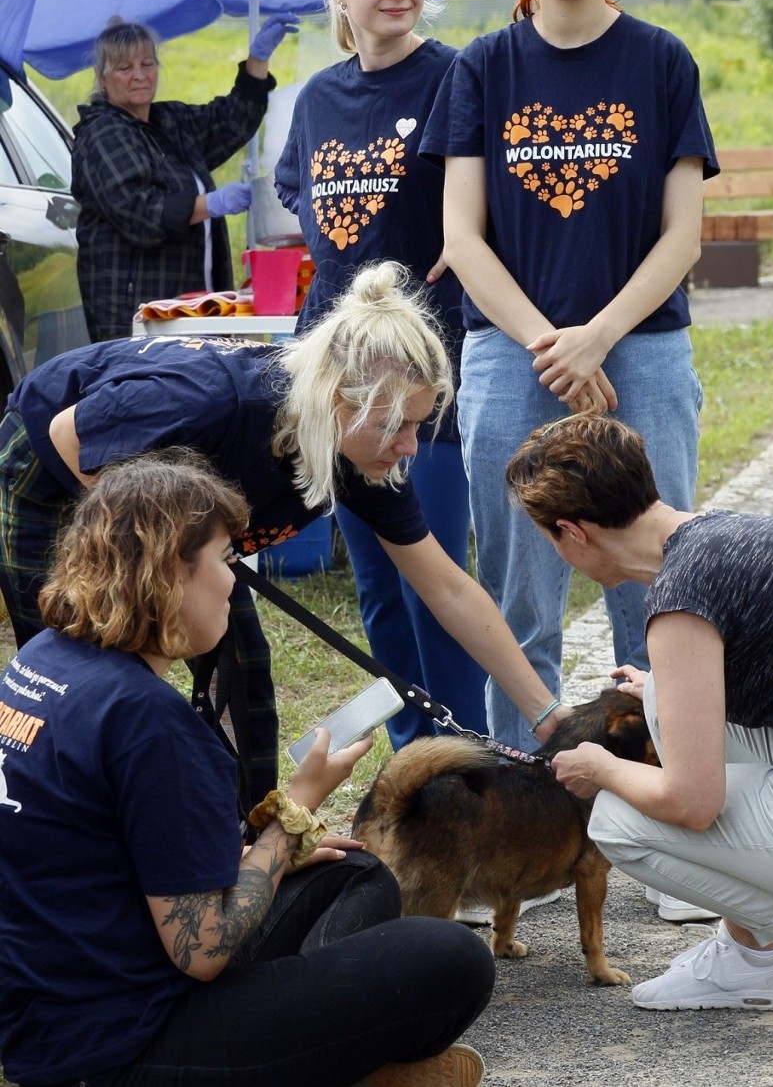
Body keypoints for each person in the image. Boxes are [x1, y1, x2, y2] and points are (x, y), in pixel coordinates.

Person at [0, 451, 494, 1087]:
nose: (234, 583)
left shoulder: (46, 657)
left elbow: (101, 844)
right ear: (170, 570)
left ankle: (310, 1050)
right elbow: (200, 950)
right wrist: (292, 814)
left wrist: (266, 854)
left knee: (358, 873)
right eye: (225, 559)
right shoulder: (150, 722)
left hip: (48, 1010)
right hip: (120, 1047)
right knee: (450, 959)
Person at [0, 261, 569, 812]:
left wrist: (547, 716)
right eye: (398, 426)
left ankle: (252, 838)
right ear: (339, 402)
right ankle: (75, 824)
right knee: (87, 670)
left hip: (176, 518)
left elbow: (446, 587)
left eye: (419, 425)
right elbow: (67, 439)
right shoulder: (217, 401)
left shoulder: (355, 451)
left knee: (242, 668)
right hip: (50, 475)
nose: (411, 448)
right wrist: (156, 585)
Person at [420, 0, 718, 753]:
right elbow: (462, 239)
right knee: (520, 593)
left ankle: (671, 805)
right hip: (515, 353)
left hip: (642, 349)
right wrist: (554, 342)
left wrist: (600, 336)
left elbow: (684, 236)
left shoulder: (663, 62)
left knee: (658, 580)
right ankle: (528, 802)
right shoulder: (482, 69)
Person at [505, 412, 773, 1054]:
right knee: (669, 705)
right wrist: (665, 689)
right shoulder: (722, 534)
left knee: (616, 819)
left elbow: (693, 804)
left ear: (574, 534)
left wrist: (600, 768)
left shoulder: (681, 596)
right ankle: (752, 961)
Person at [274, 0, 486, 748]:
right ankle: (412, 763)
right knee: (376, 589)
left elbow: (483, 207)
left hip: (427, 368)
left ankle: (470, 762)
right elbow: (306, 202)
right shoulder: (319, 98)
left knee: (435, 579)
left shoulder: (454, 78)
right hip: (339, 373)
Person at [71, 12, 296, 341]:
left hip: (189, 304)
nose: (139, 76)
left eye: (147, 64)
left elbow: (230, 121)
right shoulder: (102, 134)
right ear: (103, 79)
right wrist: (212, 203)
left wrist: (257, 61)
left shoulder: (168, 120)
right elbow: (142, 213)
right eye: (125, 68)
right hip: (137, 312)